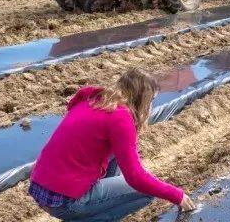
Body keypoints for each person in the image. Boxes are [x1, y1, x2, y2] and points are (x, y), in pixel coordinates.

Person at [28, 69, 196, 220]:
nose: (151, 106)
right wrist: (177, 195)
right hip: (65, 201)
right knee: (146, 192)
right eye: (151, 100)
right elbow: (136, 178)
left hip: (41, 188)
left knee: (115, 155)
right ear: (142, 99)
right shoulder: (120, 118)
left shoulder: (94, 100)